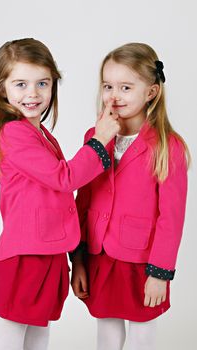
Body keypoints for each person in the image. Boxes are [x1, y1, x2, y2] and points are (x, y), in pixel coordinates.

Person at [0, 38, 120, 350]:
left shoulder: (42, 135)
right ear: (2, 88)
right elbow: (66, 178)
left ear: (52, 86)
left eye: (42, 83)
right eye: (20, 84)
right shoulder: (14, 133)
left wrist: (75, 257)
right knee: (11, 334)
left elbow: (60, 203)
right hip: (24, 255)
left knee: (38, 331)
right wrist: (99, 140)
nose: (32, 94)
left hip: (48, 252)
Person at [71, 42, 190, 350]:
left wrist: (160, 274)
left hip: (142, 262)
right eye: (108, 85)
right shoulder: (95, 137)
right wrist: (79, 259)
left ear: (151, 92)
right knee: (107, 333)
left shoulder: (168, 146)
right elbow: (82, 201)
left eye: (125, 87)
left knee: (142, 335)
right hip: (100, 257)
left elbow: (171, 218)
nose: (114, 95)